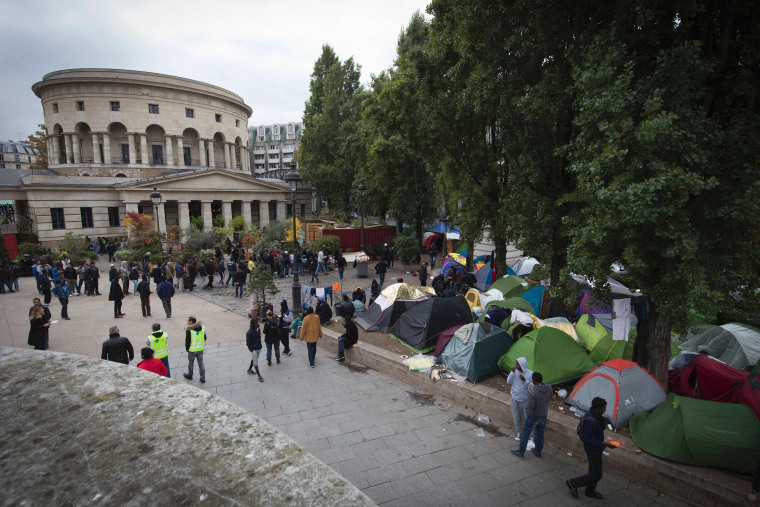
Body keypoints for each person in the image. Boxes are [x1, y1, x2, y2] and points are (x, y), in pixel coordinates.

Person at [566, 397, 616, 500]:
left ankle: (590, 491)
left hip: (596, 448)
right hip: (592, 449)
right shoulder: (590, 421)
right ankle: (573, 483)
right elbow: (586, 438)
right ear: (598, 408)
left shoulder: (595, 415)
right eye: (604, 408)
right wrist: (604, 444)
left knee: (593, 470)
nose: (605, 410)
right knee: (597, 474)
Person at [511, 372, 552, 459]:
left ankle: (521, 452)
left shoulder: (533, 392)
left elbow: (531, 406)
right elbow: (550, 397)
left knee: (526, 433)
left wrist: (529, 396)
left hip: (533, 416)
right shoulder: (549, 387)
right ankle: (538, 451)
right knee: (541, 434)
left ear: (533, 380)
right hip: (543, 415)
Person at [507, 357, 533, 441]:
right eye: (516, 364)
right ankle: (519, 432)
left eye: (518, 364)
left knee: (528, 419)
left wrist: (525, 380)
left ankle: (531, 437)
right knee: (516, 417)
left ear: (522, 365)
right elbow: (508, 382)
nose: (516, 366)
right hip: (515, 398)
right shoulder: (515, 372)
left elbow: (532, 388)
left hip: (525, 400)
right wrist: (512, 372)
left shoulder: (530, 373)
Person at [183, 316, 206, 383]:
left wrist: (187, 349)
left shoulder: (189, 331)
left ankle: (190, 375)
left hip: (192, 350)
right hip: (200, 349)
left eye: (187, 321)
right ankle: (202, 378)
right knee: (201, 364)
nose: (186, 322)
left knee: (191, 363)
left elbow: (187, 342)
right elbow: (205, 338)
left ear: (191, 322)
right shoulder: (203, 328)